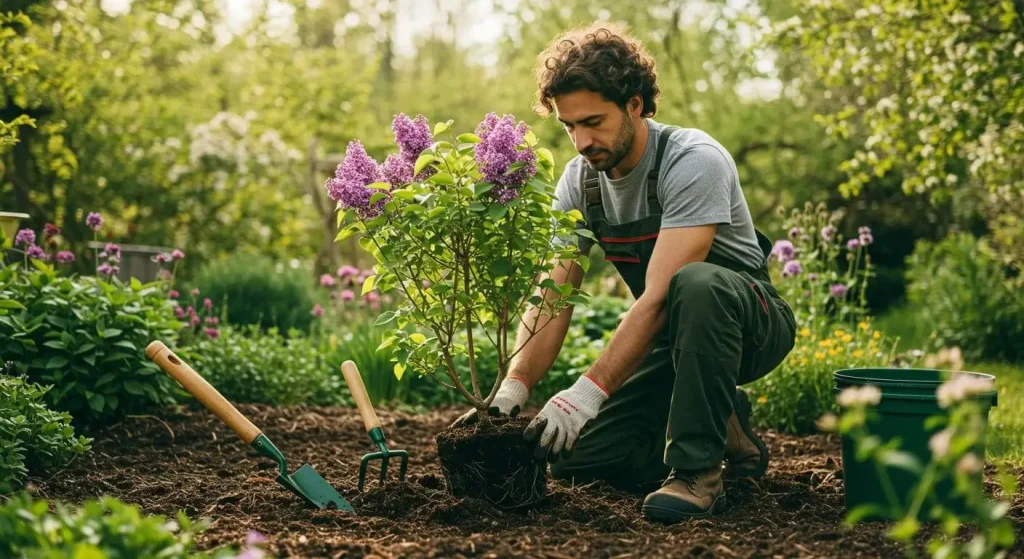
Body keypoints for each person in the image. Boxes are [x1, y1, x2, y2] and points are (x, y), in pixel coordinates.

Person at [452, 23, 796, 524]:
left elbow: (659, 297)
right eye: (569, 126)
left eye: (594, 121)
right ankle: (724, 424)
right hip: (671, 343)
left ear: (635, 105)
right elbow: (553, 295)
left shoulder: (692, 161)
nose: (581, 141)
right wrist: (515, 387)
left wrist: (586, 394)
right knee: (573, 460)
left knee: (694, 284)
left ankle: (697, 473)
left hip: (750, 326)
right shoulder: (579, 183)